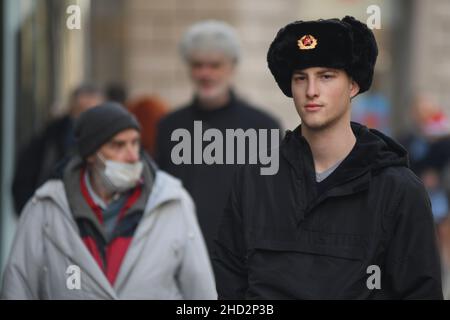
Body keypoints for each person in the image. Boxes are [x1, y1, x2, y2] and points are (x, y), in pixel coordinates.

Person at [213, 16, 443, 299]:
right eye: (301, 78)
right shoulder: (253, 179)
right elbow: (228, 281)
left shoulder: (399, 190)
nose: (311, 90)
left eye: (326, 76)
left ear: (353, 85)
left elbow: (420, 291)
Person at [2, 102, 216, 299]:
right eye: (118, 145)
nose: (132, 156)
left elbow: (200, 291)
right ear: (91, 154)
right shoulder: (46, 207)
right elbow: (18, 286)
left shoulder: (173, 201)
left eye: (135, 143)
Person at [155, 20, 281, 259]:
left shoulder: (264, 127)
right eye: (198, 65)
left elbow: (273, 203)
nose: (205, 73)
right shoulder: (169, 126)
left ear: (232, 66)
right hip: (180, 255)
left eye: (214, 65)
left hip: (243, 260)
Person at [12, 83, 104, 214]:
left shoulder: (110, 142)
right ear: (72, 110)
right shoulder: (49, 139)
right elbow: (23, 181)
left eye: (93, 112)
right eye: (81, 110)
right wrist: (32, 213)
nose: (86, 118)